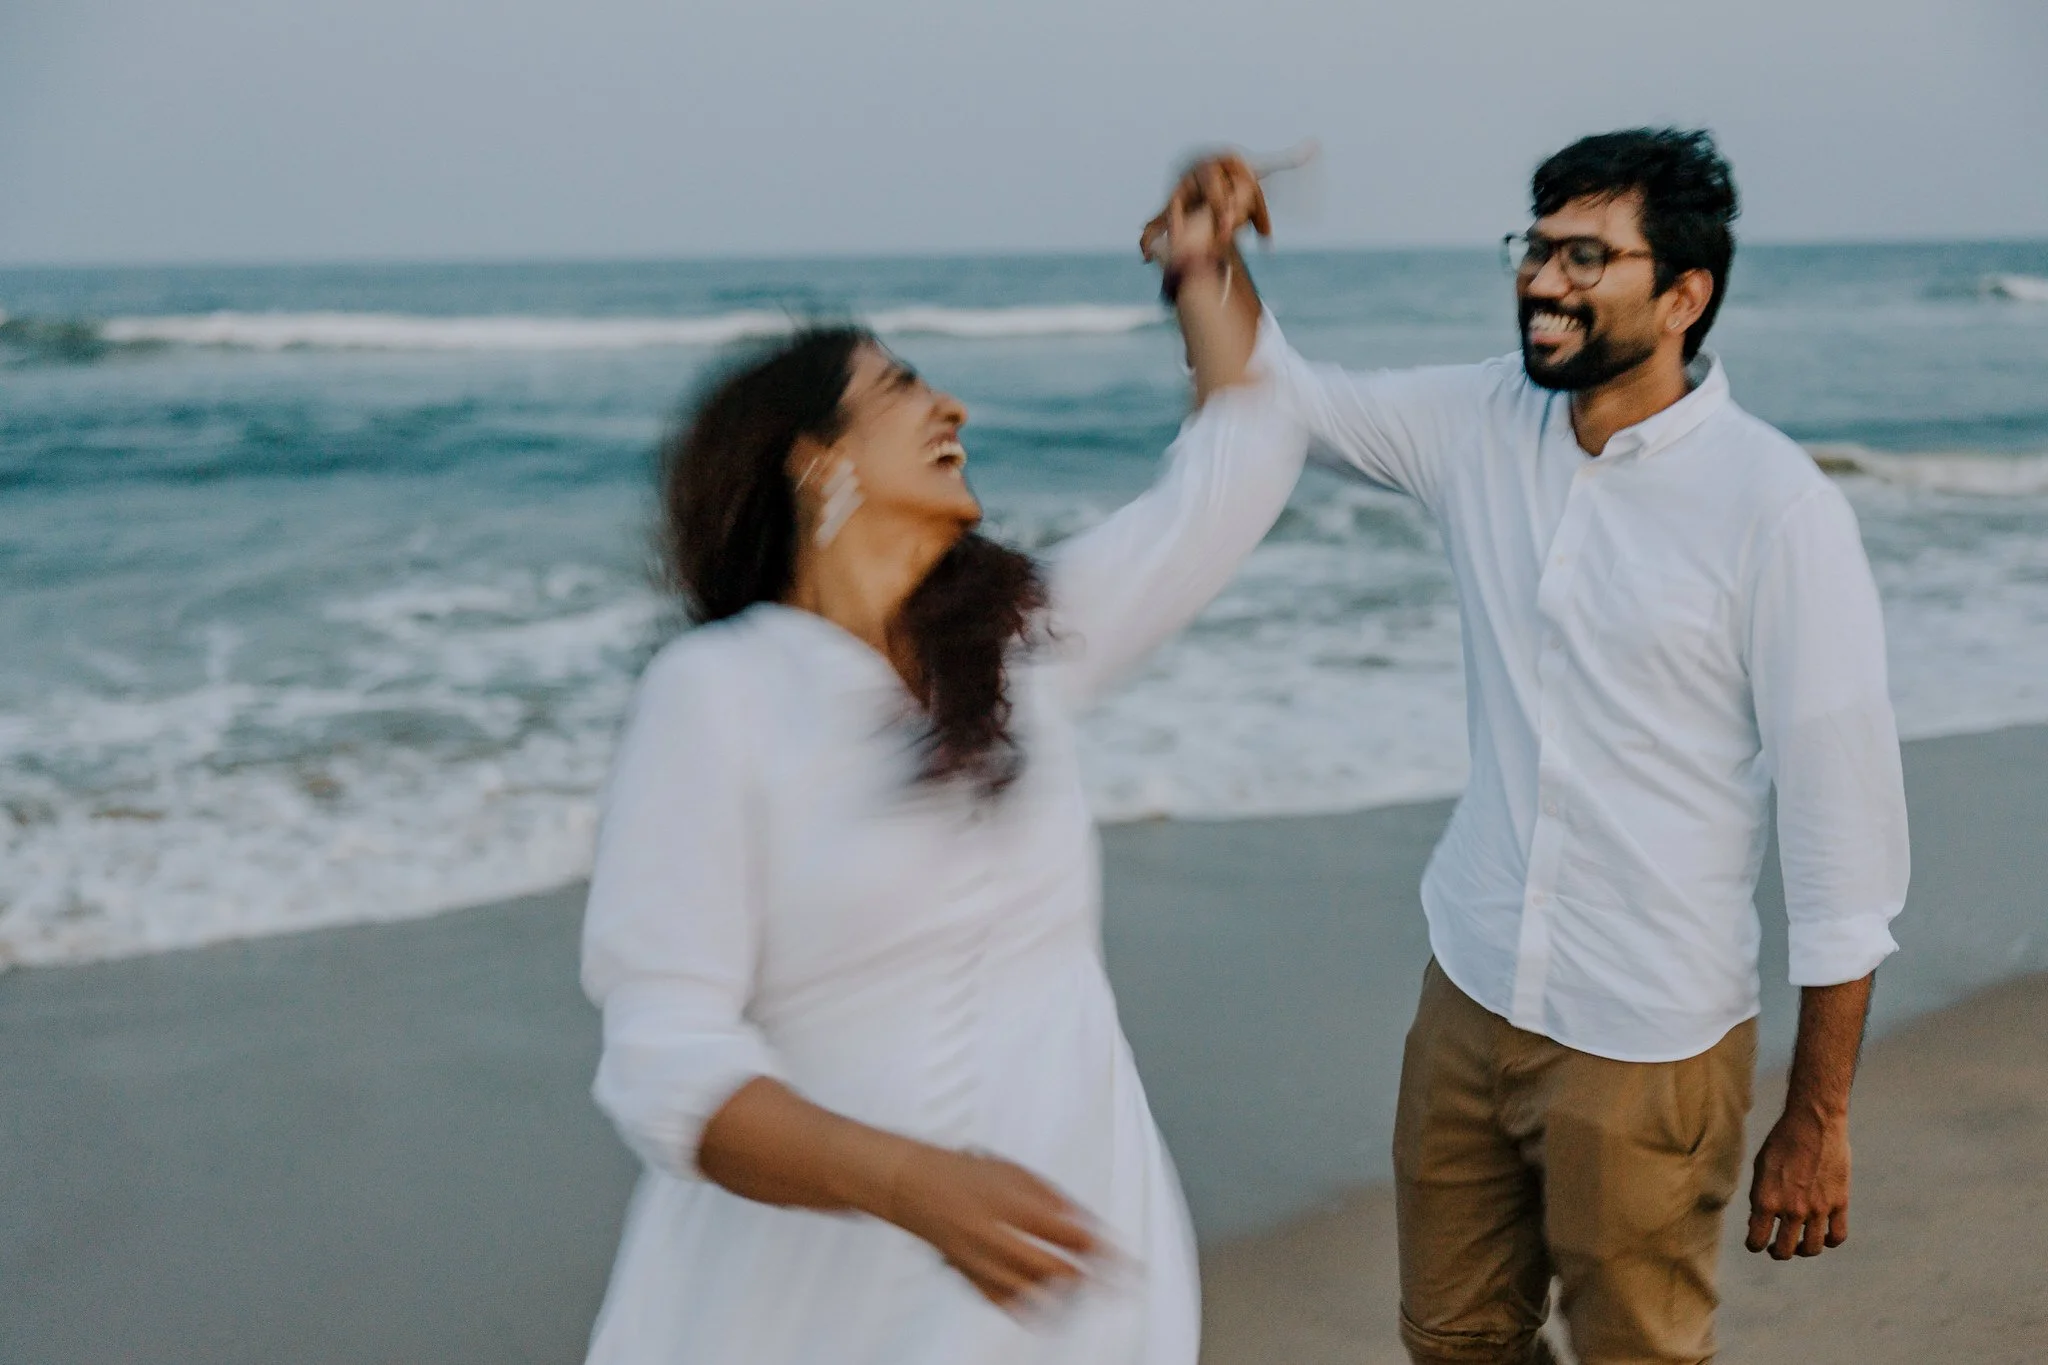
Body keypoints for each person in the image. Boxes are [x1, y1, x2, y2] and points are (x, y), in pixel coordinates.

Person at [1152, 129, 1910, 1363]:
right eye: (1533, 245)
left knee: (1636, 1354)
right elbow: (1273, 392)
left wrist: (1815, 1117)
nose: (1541, 280)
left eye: (1583, 256)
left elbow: (1845, 845)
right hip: (1470, 988)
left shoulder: (1774, 510)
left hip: (1647, 1034)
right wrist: (1199, 264)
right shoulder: (1475, 425)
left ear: (1681, 296)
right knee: (1451, 1341)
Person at [576, 200, 1304, 1364]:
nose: (950, 406)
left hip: (1058, 1265)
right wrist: (908, 1183)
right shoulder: (716, 691)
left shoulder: (1020, 651)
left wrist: (1199, 264)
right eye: (903, 390)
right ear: (817, 463)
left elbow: (1237, 466)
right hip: (815, 1288)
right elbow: (664, 1052)